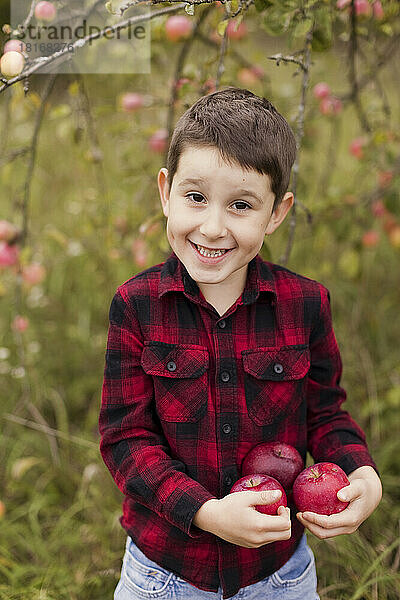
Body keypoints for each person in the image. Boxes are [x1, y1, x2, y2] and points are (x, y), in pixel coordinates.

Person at [99, 87, 382, 600]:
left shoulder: (306, 304)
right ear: (165, 191)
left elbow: (326, 414)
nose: (212, 227)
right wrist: (204, 512)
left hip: (277, 576)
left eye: (241, 205)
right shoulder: (136, 305)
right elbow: (125, 439)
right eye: (195, 197)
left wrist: (360, 471)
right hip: (165, 573)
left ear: (276, 213)